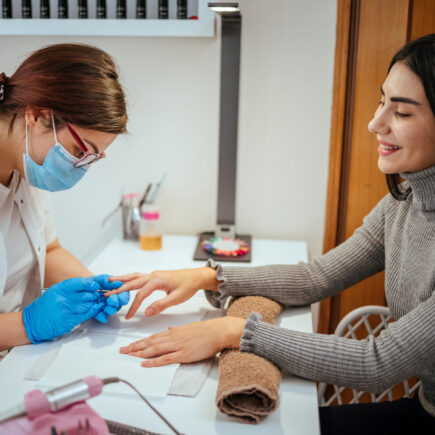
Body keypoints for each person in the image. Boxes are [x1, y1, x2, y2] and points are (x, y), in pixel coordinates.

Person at [106, 34, 435, 434]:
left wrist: (234, 331)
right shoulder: (402, 203)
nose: (375, 122)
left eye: (401, 113)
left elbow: (375, 362)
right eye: (382, 100)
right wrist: (206, 276)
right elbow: (317, 276)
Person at [0, 43, 130, 354]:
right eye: (79, 151)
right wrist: (27, 324)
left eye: (92, 159)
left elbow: (50, 250)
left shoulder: (27, 165)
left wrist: (94, 288)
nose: (78, 168)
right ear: (37, 114)